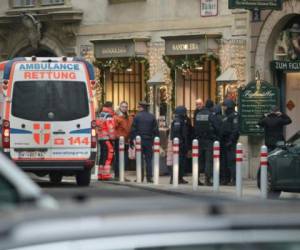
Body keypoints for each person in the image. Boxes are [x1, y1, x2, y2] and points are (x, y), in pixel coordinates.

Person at [130, 101, 159, 183]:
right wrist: (155, 141)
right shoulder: (152, 117)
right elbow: (156, 131)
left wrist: (132, 140)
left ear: (141, 107)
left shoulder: (137, 117)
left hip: (139, 141)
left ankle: (140, 177)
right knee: (148, 160)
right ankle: (149, 178)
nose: (138, 108)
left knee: (139, 160)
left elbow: (133, 129)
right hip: (149, 141)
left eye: (139, 107)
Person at [193, 99, 216, 186]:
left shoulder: (198, 114)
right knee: (208, 161)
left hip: (199, 140)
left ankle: (196, 178)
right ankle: (207, 179)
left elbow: (195, 127)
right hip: (208, 140)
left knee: (199, 160)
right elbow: (215, 126)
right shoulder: (210, 114)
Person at [220, 98, 239, 186]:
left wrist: (231, 140)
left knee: (231, 161)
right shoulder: (225, 116)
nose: (223, 108)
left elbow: (235, 130)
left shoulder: (234, 115)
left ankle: (234, 179)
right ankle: (226, 179)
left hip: (230, 142)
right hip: (224, 141)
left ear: (229, 106)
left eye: (225, 106)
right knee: (224, 162)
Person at [170, 106, 192, 184]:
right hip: (181, 145)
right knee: (180, 162)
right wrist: (186, 145)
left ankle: (177, 178)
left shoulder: (175, 121)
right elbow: (183, 134)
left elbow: (172, 135)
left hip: (177, 144)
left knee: (178, 162)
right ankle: (177, 178)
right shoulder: (180, 121)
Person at [113, 101, 134, 180]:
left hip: (126, 140)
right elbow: (114, 128)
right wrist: (116, 137)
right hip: (119, 140)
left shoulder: (128, 117)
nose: (124, 108)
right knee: (118, 158)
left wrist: (131, 139)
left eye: (126, 107)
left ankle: (121, 175)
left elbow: (130, 128)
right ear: (120, 107)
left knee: (125, 159)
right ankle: (117, 175)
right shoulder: (117, 117)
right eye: (123, 107)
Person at [96, 101, 116, 180]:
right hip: (107, 138)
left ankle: (100, 174)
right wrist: (113, 138)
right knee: (108, 156)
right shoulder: (108, 116)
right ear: (110, 107)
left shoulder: (100, 114)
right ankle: (106, 174)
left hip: (101, 138)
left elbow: (97, 126)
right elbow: (110, 128)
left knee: (102, 156)